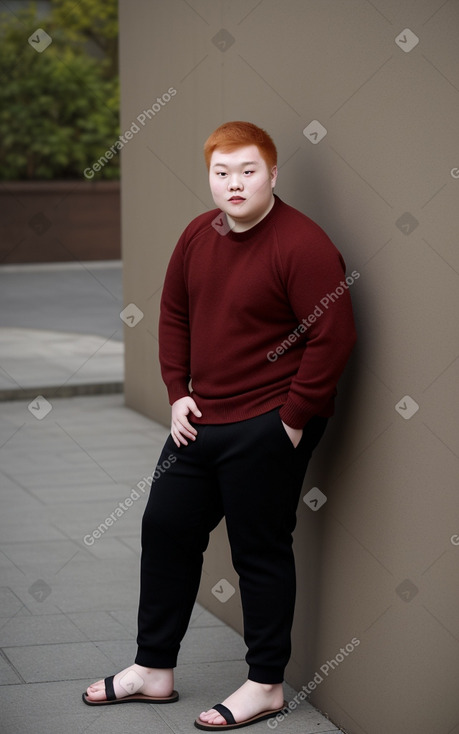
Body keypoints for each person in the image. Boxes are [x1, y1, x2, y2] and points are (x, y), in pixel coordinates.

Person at [83, 121, 357, 730]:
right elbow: (175, 313)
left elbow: (334, 336)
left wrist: (290, 420)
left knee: (257, 550)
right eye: (222, 172)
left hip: (268, 421)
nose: (234, 184)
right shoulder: (197, 236)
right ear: (210, 176)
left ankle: (265, 684)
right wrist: (178, 393)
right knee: (166, 527)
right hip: (200, 420)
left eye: (248, 171)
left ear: (273, 174)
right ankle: (154, 670)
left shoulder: (302, 244)